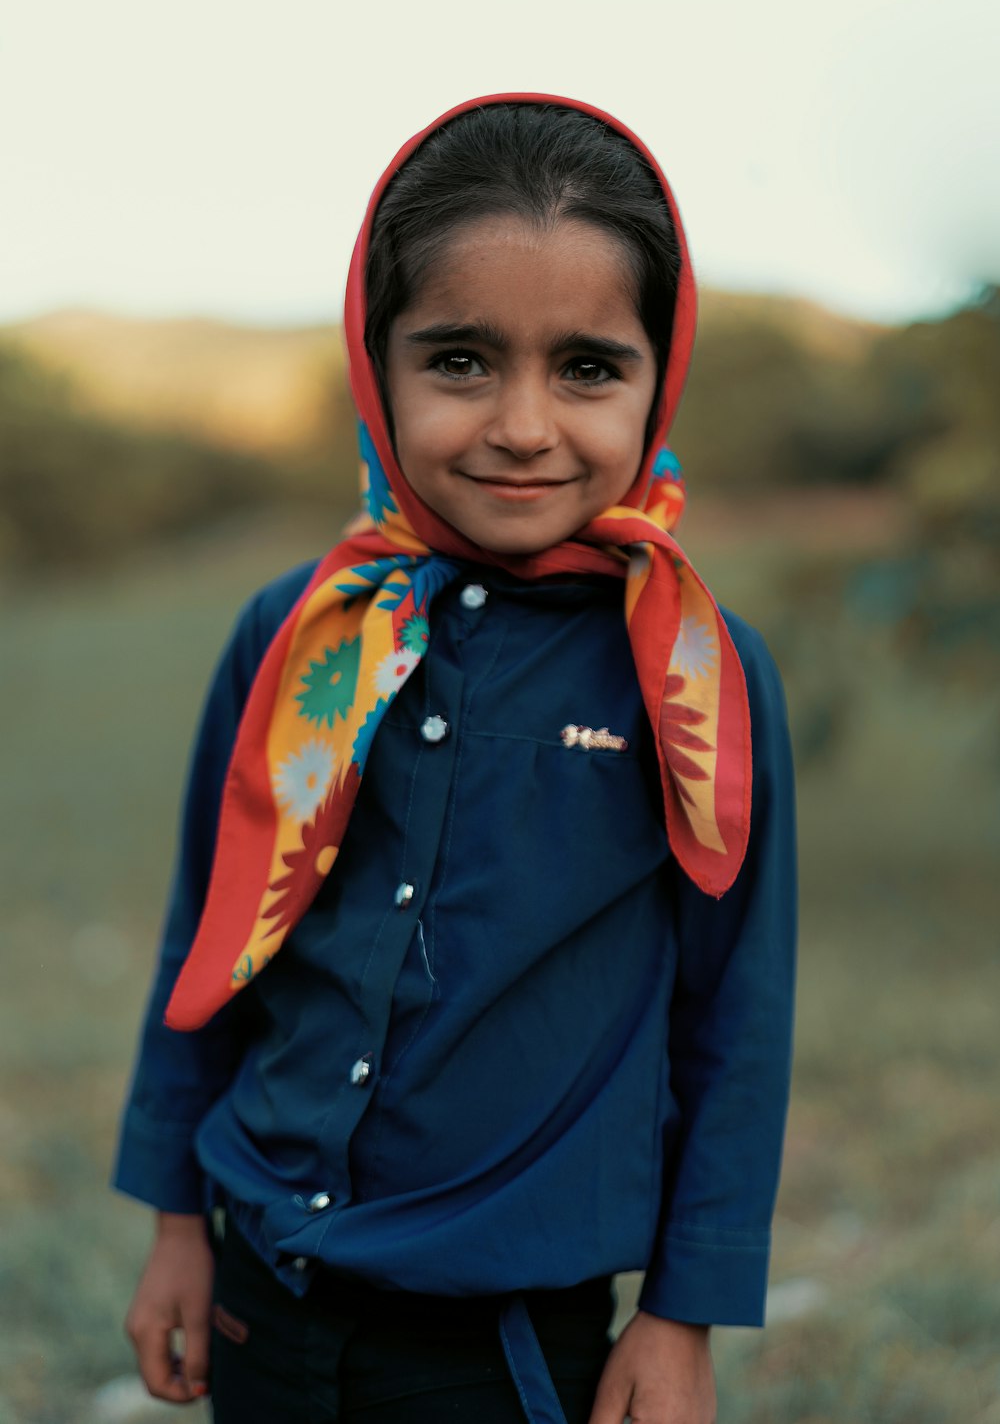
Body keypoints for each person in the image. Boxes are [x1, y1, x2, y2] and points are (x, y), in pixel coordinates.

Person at [113, 92, 797, 1424]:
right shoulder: (295, 634)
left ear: (663, 376)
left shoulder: (702, 678)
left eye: (588, 367)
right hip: (265, 1285)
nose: (524, 424)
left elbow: (737, 1018)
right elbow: (211, 937)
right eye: (462, 360)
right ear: (377, 363)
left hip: (510, 1342)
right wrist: (178, 1223)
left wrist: (683, 1311)